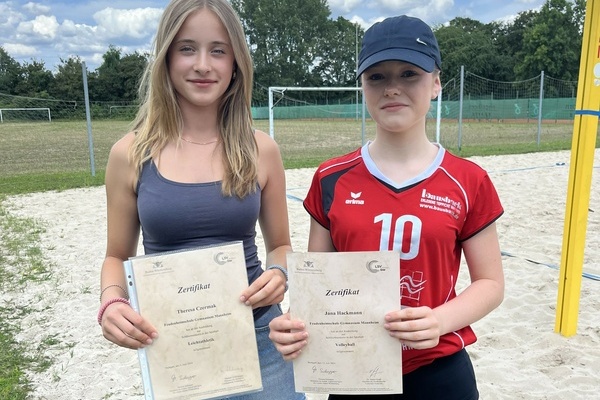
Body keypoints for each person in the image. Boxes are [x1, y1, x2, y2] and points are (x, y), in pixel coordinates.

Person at [268, 15, 504, 400]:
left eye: (409, 73)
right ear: (362, 86)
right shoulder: (330, 178)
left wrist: (439, 320)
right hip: (354, 370)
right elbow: (319, 285)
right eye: (376, 77)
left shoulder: (469, 180)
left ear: (436, 83)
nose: (392, 88)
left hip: (438, 369)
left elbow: (491, 284)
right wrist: (293, 324)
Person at [97, 0, 304, 398]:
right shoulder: (130, 154)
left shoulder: (261, 150)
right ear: (166, 57)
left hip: (260, 338)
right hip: (174, 343)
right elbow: (116, 256)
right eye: (187, 48)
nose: (203, 65)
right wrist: (111, 303)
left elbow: (280, 245)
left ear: (236, 62)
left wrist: (280, 273)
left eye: (218, 50)